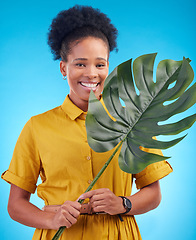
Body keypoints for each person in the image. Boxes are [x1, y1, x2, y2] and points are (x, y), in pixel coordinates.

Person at [1, 5, 173, 240]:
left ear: (108, 67)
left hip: (118, 234)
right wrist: (52, 218)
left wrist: (123, 203)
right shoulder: (37, 127)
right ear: (64, 68)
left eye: (100, 64)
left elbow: (153, 193)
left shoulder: (132, 121)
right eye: (80, 63)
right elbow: (16, 205)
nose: (92, 73)